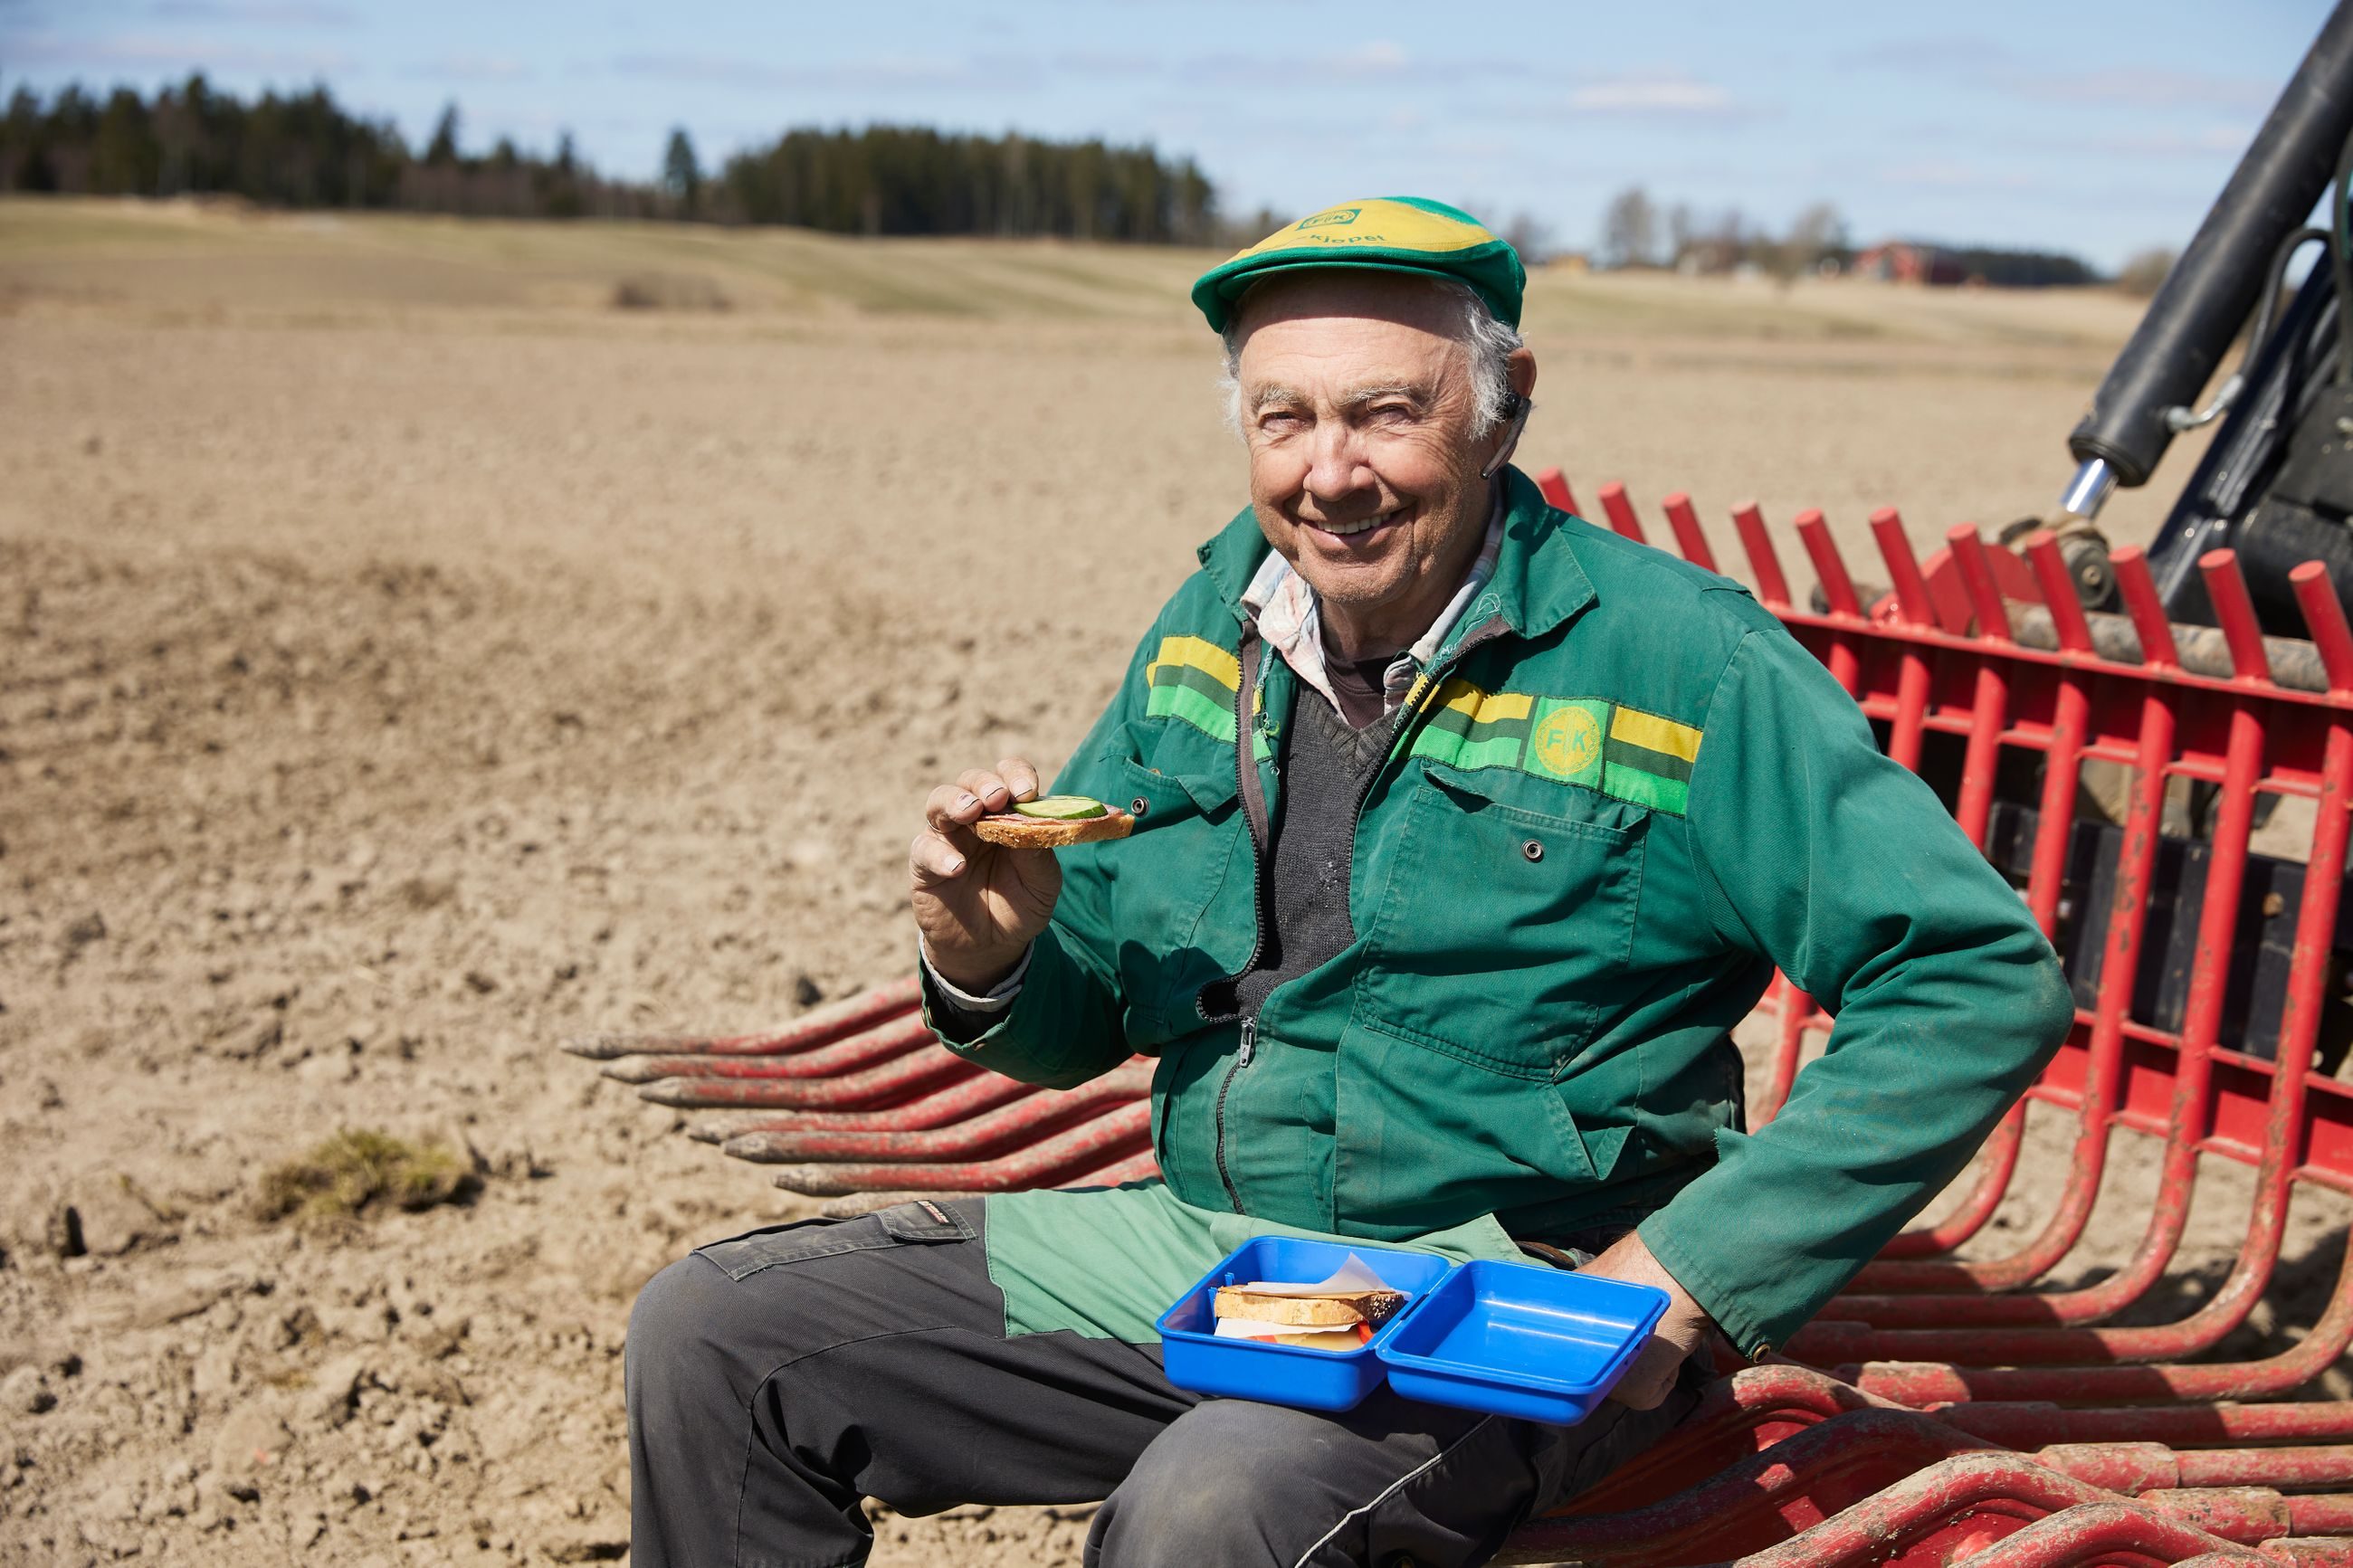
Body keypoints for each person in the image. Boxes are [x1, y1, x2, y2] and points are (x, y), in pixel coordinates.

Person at [626, 197, 2075, 1568]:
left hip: (1509, 1298)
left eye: (1389, 410)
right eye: (1287, 418)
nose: (1332, 470)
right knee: (722, 1335)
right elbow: (1088, 1013)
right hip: (1218, 1261)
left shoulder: (1680, 660)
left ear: (1504, 400)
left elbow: (1973, 976)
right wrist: (990, 960)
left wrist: (1679, 1277)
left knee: (1212, 1507)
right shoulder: (1213, 628)